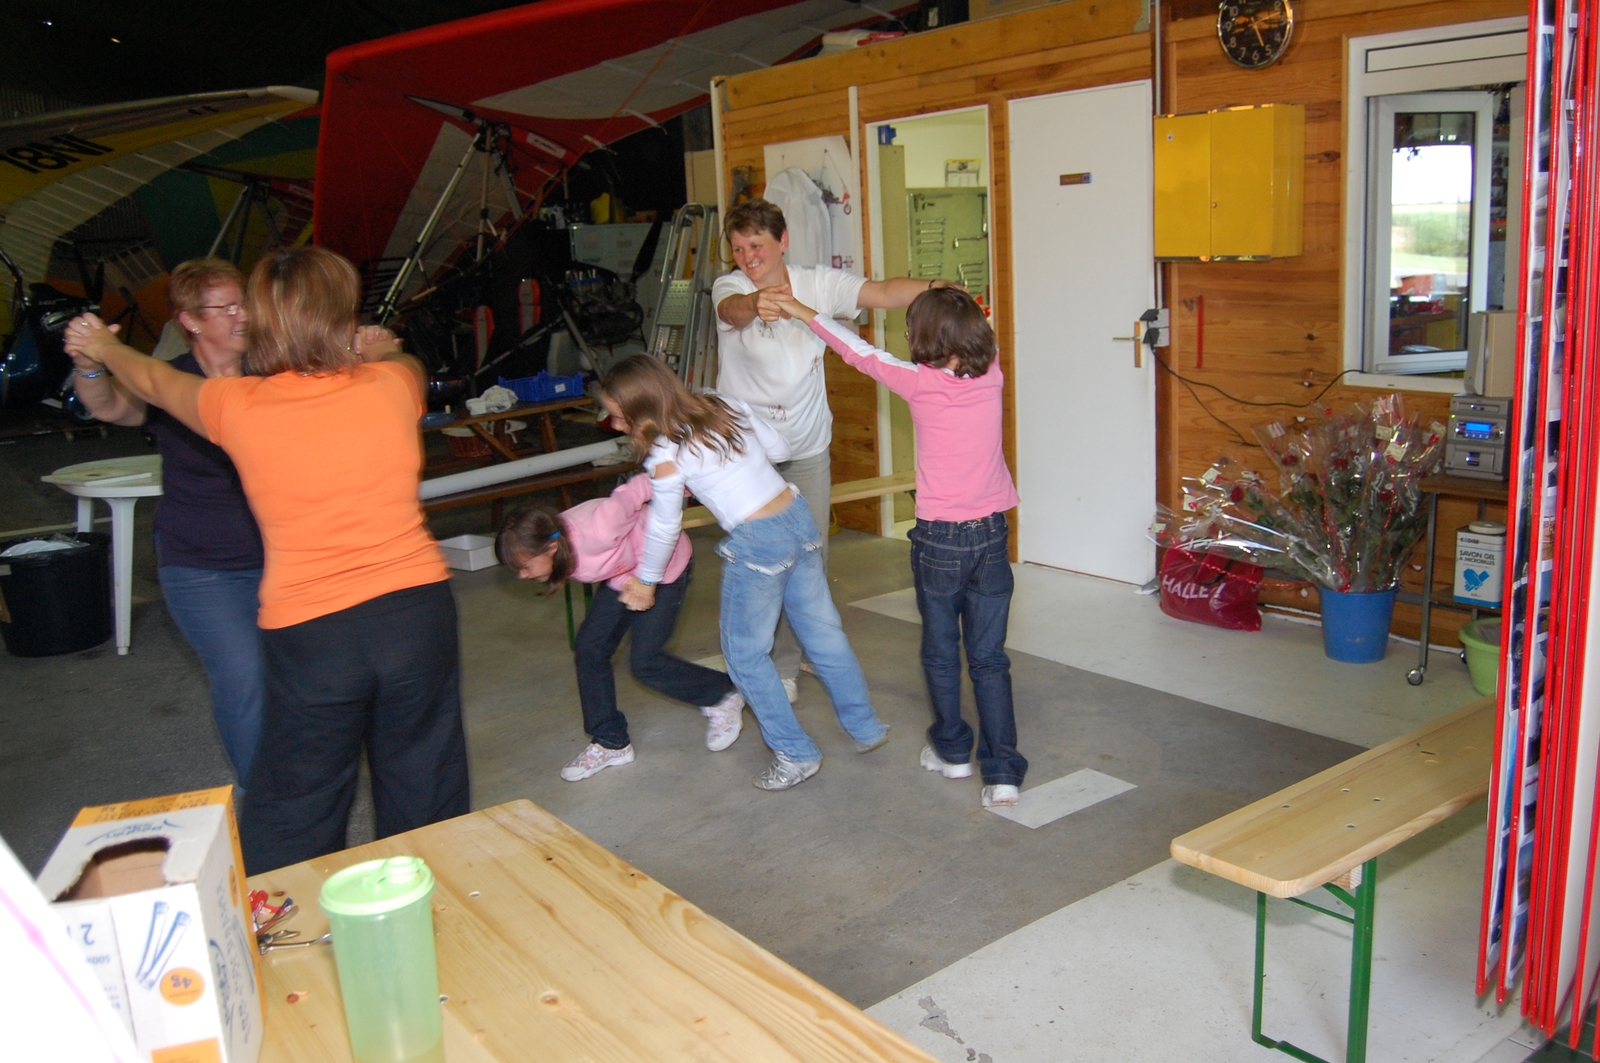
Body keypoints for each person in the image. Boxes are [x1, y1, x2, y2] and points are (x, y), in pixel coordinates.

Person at [63, 246, 469, 872]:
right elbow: (405, 359)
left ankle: (281, 910)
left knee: (299, 797)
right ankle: (423, 896)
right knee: (425, 774)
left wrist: (102, 346)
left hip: (313, 632)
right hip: (416, 613)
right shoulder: (393, 384)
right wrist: (378, 347)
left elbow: (150, 381)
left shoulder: (235, 404)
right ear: (341, 318)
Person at [775, 287, 1026, 807]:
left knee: (941, 653)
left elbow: (854, 350)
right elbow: (977, 327)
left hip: (939, 540)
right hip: (991, 535)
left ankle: (953, 753)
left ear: (924, 337)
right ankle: (1002, 773)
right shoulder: (993, 371)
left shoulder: (917, 382)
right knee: (989, 658)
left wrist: (800, 309)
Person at [599, 354, 888, 790]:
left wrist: (647, 580)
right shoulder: (721, 403)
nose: (616, 424)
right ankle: (865, 726)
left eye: (620, 416)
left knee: (745, 656)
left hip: (759, 542)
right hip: (796, 516)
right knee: (823, 635)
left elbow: (664, 525)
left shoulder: (665, 451)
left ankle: (795, 753)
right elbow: (781, 450)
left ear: (643, 409)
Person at [713, 199, 957, 699]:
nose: (748, 257)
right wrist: (755, 304)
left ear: (782, 241)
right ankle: (778, 666)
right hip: (750, 459)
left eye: (757, 245)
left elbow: (883, 292)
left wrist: (936, 288)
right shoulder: (731, 287)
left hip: (807, 447)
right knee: (766, 562)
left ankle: (812, 649)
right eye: (738, 249)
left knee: (811, 555)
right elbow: (729, 311)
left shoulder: (817, 283)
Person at [64, 258, 267, 789]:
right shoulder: (168, 379)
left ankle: (306, 783)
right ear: (191, 320)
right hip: (203, 566)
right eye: (227, 308)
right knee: (244, 675)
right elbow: (110, 406)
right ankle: (268, 801)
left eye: (244, 303)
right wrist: (89, 363)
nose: (243, 315)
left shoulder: (271, 373)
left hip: (285, 556)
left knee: (304, 676)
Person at [496, 475, 745, 781]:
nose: (522, 576)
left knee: (645, 662)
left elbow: (640, 486)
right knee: (590, 647)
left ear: (549, 548)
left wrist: (693, 483)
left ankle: (722, 694)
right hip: (626, 576)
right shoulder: (564, 551)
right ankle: (611, 741)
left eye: (524, 567)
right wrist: (632, 583)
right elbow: (614, 563)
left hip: (667, 566)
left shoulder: (600, 527)